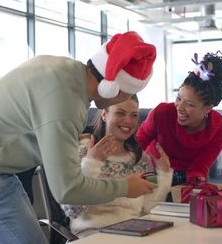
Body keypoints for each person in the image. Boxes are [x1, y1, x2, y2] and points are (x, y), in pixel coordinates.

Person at [0, 31, 158, 244]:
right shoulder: (66, 105)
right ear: (113, 87)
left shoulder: (65, 71)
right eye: (128, 94)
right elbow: (67, 190)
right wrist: (125, 188)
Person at [61, 95, 173, 237]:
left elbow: (147, 209)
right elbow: (72, 210)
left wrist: (165, 175)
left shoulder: (141, 158)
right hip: (93, 234)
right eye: (120, 113)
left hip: (133, 234)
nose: (128, 121)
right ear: (104, 114)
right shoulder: (82, 150)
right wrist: (91, 163)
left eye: (134, 115)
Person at [136, 51, 222, 186]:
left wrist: (195, 184)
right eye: (179, 98)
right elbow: (139, 141)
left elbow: (200, 166)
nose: (179, 107)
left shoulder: (220, 129)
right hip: (152, 171)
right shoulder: (162, 113)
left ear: (207, 109)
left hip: (188, 179)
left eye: (190, 104)